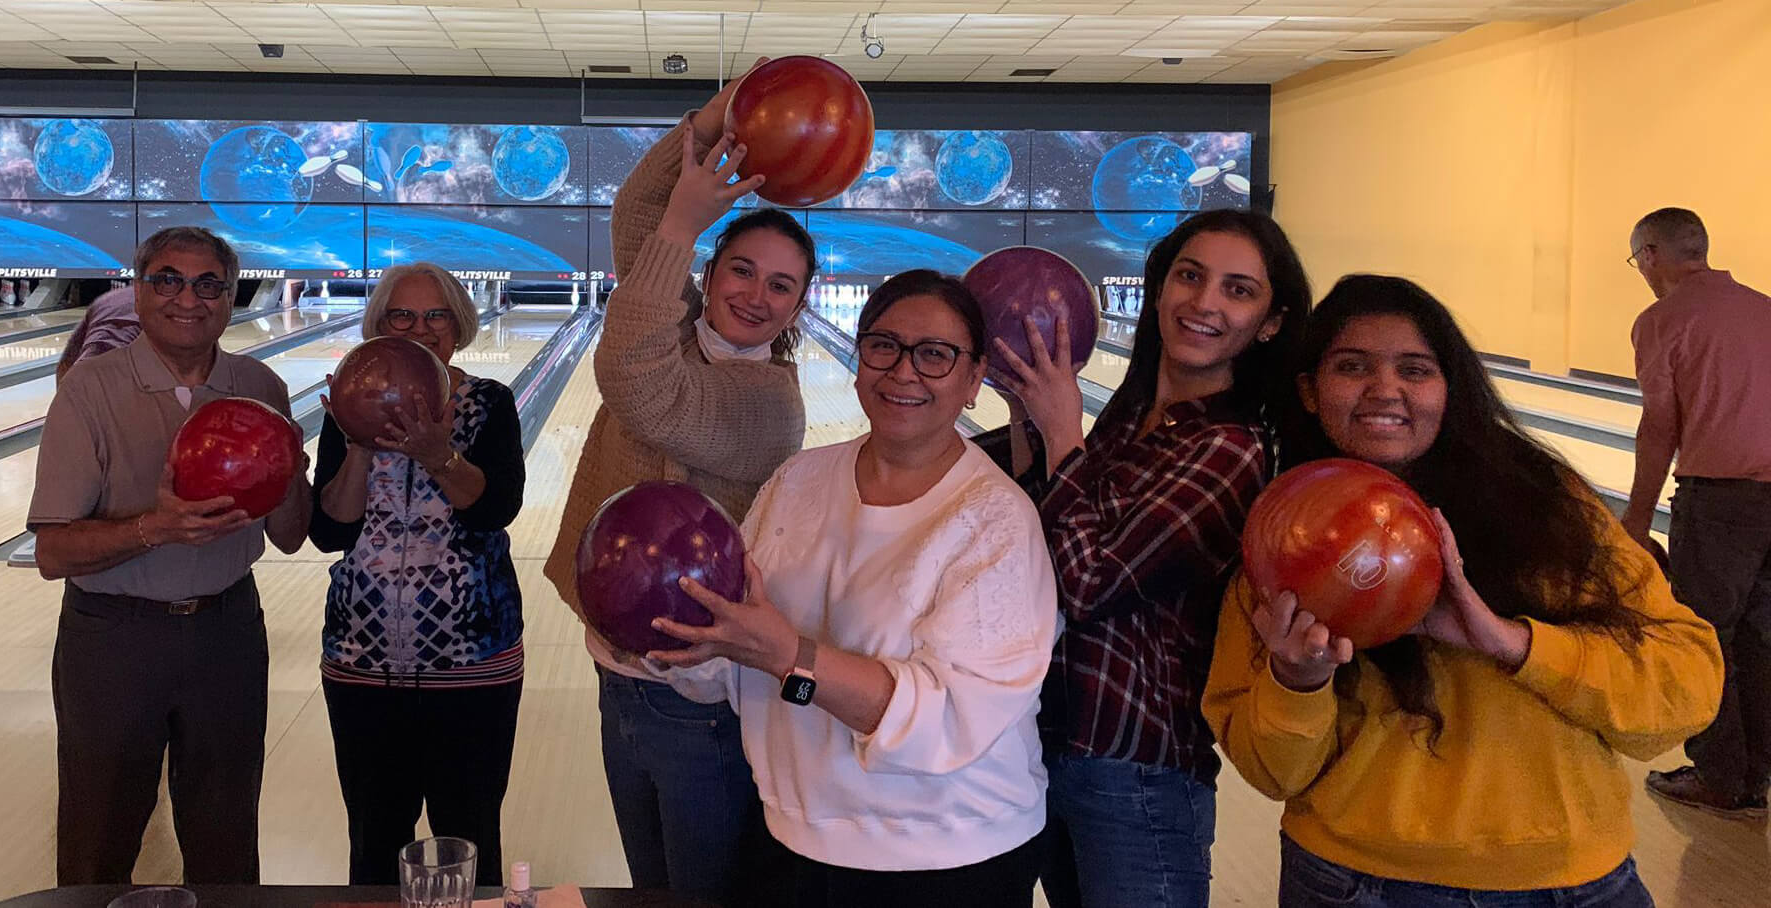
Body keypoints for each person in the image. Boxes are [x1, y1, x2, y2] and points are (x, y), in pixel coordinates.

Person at [1203, 274, 1723, 907]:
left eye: (1415, 369)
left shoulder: (1553, 511)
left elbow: (1687, 690)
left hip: (1574, 885)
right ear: (1311, 392)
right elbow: (1271, 772)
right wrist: (1297, 679)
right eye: (1352, 366)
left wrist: (1513, 644)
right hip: (1354, 885)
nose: (1384, 389)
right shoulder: (1282, 539)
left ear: (1450, 389)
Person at [652, 270, 1057, 908]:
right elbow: (747, 661)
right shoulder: (798, 480)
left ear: (974, 378)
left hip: (947, 856)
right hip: (794, 835)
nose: (903, 371)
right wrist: (690, 645)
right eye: (883, 346)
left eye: (935, 355)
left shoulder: (994, 520)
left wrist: (788, 657)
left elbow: (943, 720)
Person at [981, 209, 1310, 908]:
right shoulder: (1129, 419)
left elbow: (1086, 581)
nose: (1205, 302)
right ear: (1159, 289)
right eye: (1190, 276)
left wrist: (1062, 427)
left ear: (1271, 322)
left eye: (1238, 290)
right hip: (1047, 743)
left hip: (1136, 768)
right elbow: (1040, 543)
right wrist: (1024, 418)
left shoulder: (1232, 449)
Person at [543, 60, 814, 906]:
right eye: (741, 270)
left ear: (802, 306)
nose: (756, 296)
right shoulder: (678, 319)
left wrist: (684, 232)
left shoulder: (769, 403)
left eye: (782, 285)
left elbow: (636, 379)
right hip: (616, 672)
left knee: (699, 895)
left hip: (697, 702)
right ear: (714, 269)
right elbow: (638, 217)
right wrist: (712, 122)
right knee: (651, 888)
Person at [26, 226, 313, 885]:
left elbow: (291, 536)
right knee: (98, 841)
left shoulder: (260, 386)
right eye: (168, 280)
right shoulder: (90, 389)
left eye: (209, 283)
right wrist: (155, 527)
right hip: (113, 641)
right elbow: (52, 553)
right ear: (138, 289)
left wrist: (293, 474)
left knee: (227, 840)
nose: (189, 297)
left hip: (228, 631)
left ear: (232, 296)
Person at [308, 262, 526, 887]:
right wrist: (356, 443)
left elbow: (492, 511)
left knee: (471, 831)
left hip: (474, 661)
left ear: (458, 325)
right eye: (403, 315)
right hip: (361, 661)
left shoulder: (490, 403)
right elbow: (331, 533)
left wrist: (439, 454)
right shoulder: (347, 406)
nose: (420, 329)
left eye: (436, 316)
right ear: (381, 325)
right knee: (374, 838)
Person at [1621, 207, 1771, 818]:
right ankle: (1754, 771)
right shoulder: (1765, 308)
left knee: (1704, 636)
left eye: (1638, 261)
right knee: (1764, 637)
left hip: (1721, 502)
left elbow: (1661, 425)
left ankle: (1721, 776)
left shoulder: (1663, 320)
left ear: (1652, 255)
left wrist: (1634, 519)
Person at [56, 285, 142, 380]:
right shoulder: (155, 307)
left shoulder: (105, 300)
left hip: (83, 375)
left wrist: (62, 391)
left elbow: (66, 361)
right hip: (121, 377)